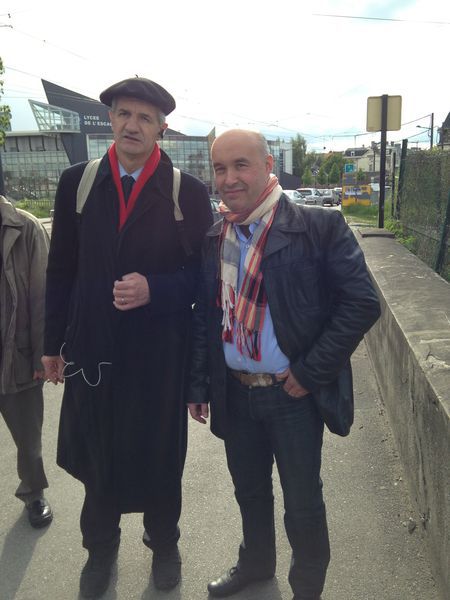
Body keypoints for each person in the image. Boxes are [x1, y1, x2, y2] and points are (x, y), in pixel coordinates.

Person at [187, 129, 381, 600]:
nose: (229, 178)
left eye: (241, 165)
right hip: (234, 391)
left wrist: (310, 372)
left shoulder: (318, 226)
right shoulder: (218, 234)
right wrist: (198, 384)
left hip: (291, 395)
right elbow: (207, 313)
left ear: (268, 165)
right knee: (249, 493)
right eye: (219, 168)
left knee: (302, 504)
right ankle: (255, 565)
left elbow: (361, 303)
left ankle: (306, 590)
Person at [42, 77, 212, 599]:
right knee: (98, 454)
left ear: (162, 126)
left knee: (161, 455)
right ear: (110, 120)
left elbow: (203, 283)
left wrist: (154, 289)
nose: (131, 125)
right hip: (93, 349)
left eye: (144, 117)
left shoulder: (187, 191)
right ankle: (100, 550)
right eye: (123, 114)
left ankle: (164, 544)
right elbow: (61, 269)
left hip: (160, 356)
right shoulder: (78, 182)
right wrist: (51, 344)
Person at [0, 195, 52, 529]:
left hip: (15, 354)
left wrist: (41, 355)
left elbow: (43, 296)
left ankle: (33, 492)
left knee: (28, 439)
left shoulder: (25, 227)